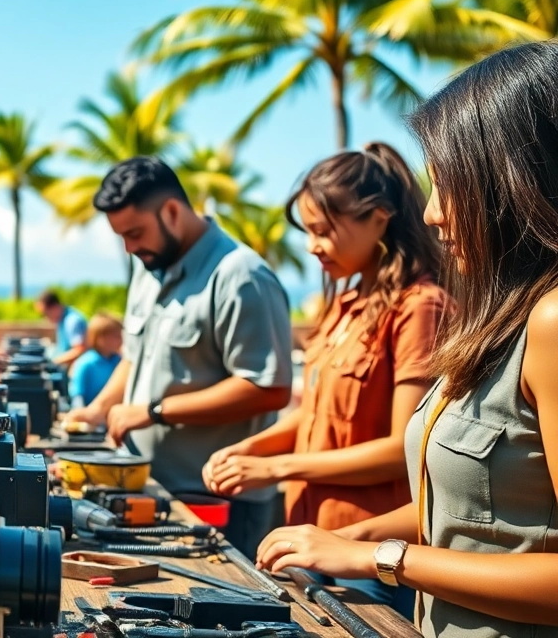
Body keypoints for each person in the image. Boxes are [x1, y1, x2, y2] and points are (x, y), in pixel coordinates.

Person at [254, 42, 558, 638]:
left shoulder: (551, 323)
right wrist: (348, 538)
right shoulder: (501, 322)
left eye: (449, 185)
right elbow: (465, 517)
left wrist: (379, 559)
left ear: (513, 184)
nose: (434, 213)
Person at [201, 143, 445, 618]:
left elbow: (404, 450)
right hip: (307, 538)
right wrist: (251, 450)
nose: (312, 246)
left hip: (371, 554)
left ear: (378, 217)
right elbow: (314, 418)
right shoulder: (345, 304)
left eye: (322, 231)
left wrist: (277, 468)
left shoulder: (420, 307)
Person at [65, 157, 292, 558]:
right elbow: (134, 357)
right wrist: (99, 409)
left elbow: (267, 388)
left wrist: (155, 411)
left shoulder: (241, 276)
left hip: (218, 503)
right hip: (149, 489)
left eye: (135, 233)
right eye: (121, 237)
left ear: (172, 211)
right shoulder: (149, 268)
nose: (129, 248)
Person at [68, 313, 123, 408]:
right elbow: (77, 397)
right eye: (116, 336)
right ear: (100, 338)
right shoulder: (85, 363)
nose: (121, 339)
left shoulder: (119, 360)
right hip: (92, 416)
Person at [36, 289, 89, 367]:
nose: (45, 318)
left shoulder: (72, 321)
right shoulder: (62, 319)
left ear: (54, 307)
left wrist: (53, 363)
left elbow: (79, 350)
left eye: (45, 313)